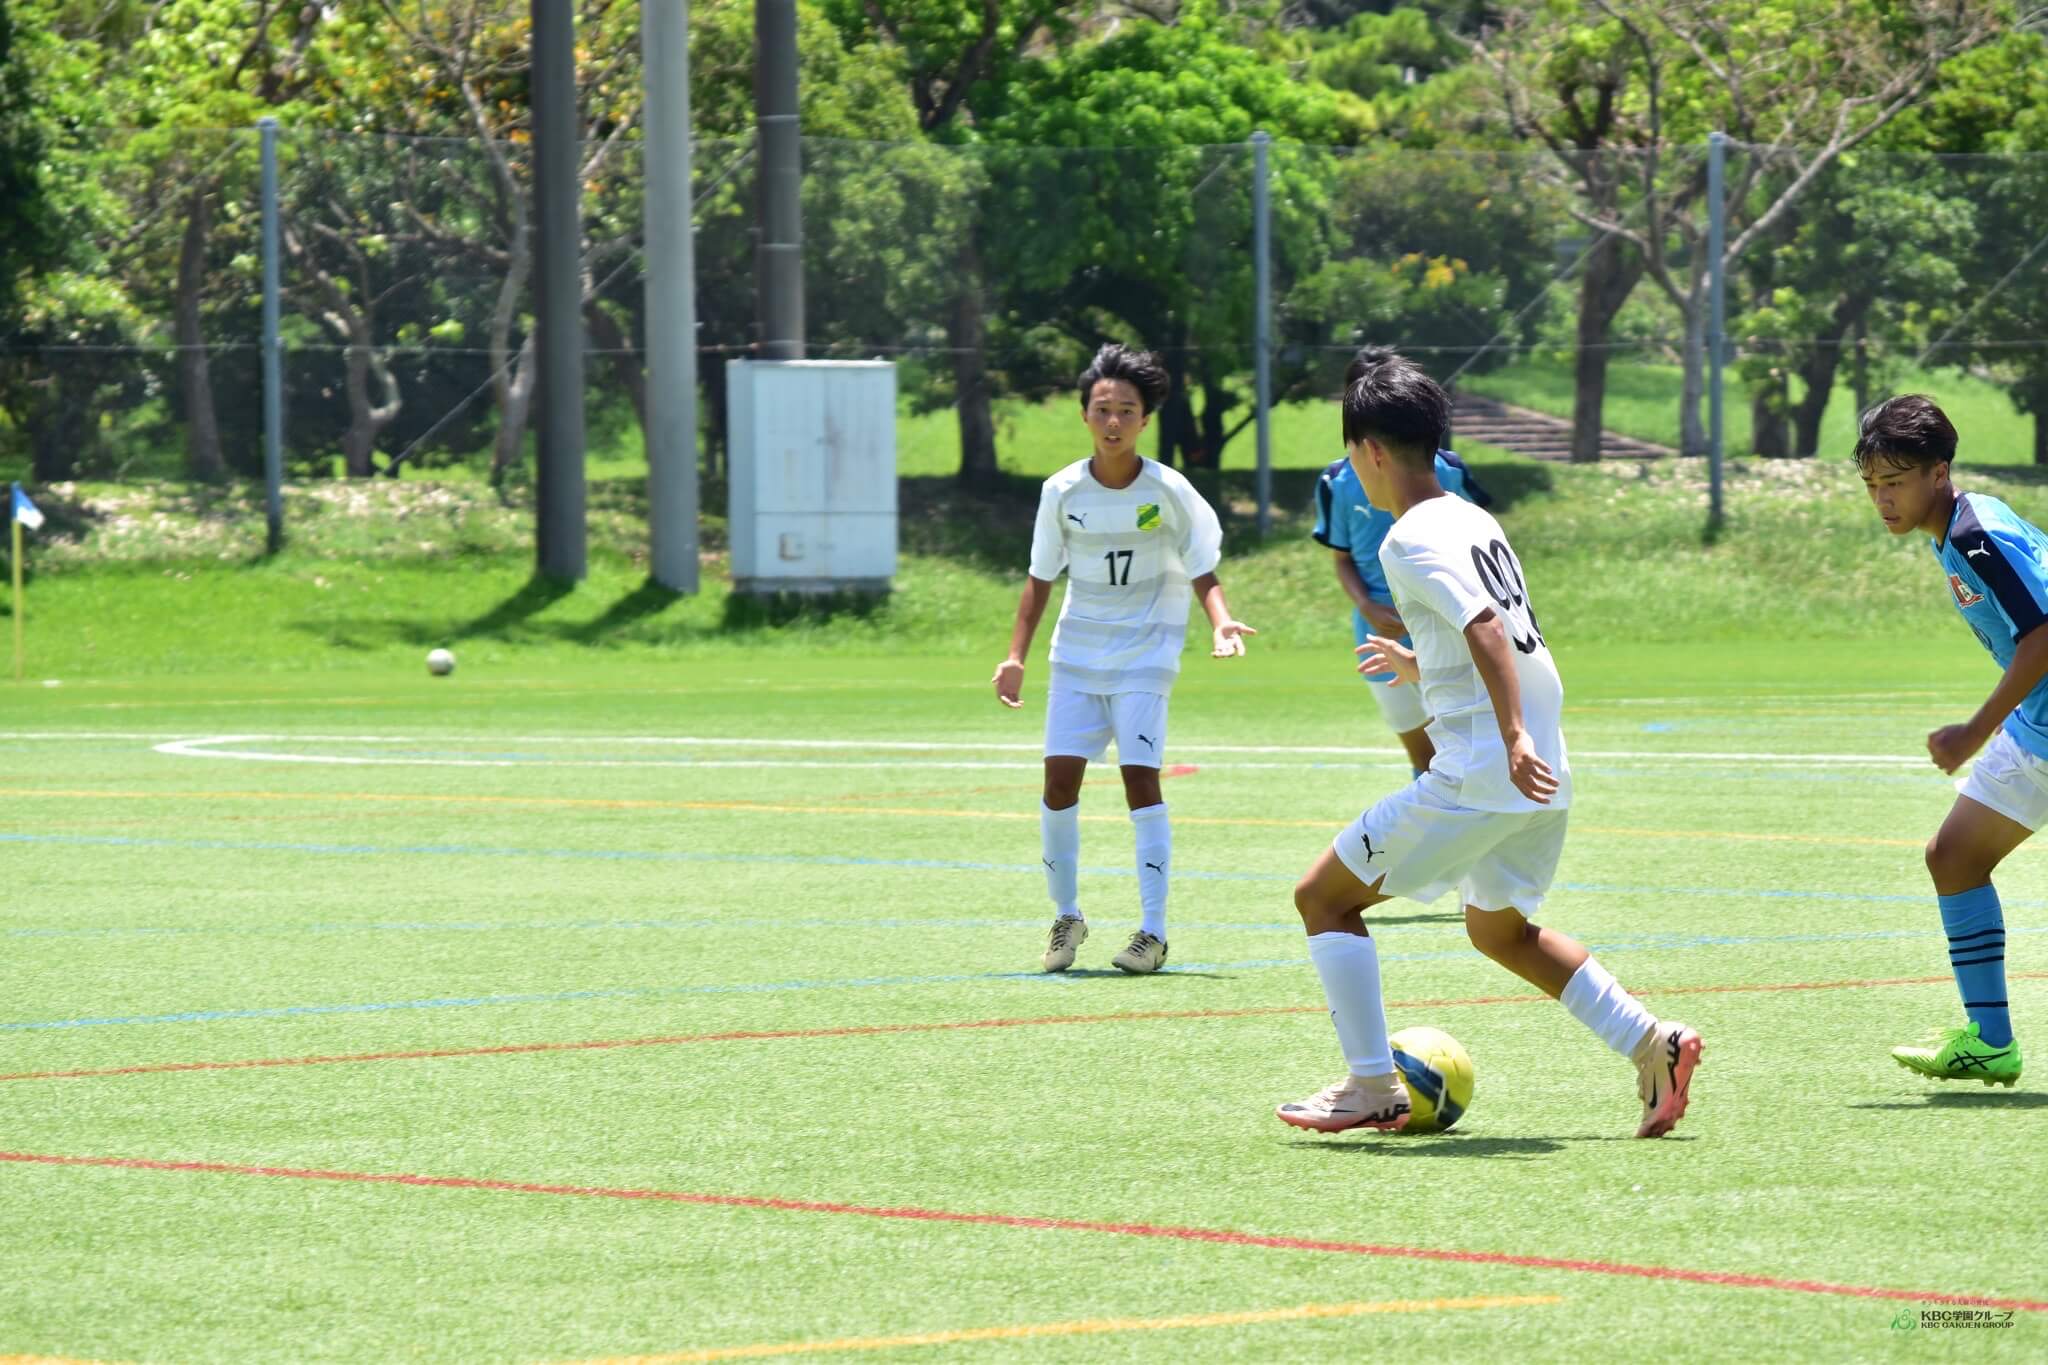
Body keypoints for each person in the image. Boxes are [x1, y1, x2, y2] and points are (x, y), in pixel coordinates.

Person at [1274, 352, 1702, 1137]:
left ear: (1370, 450)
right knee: (1498, 930)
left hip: (1487, 766)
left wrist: (1508, 735)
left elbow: (1484, 626)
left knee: (1323, 899)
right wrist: (1425, 665)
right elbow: (1491, 630)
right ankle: (1652, 1041)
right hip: (1544, 766)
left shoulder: (1407, 536)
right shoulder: (1473, 517)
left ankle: (1371, 1083)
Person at [993, 344, 1255, 975]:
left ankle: (1153, 933)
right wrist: (1015, 656)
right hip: (1077, 653)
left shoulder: (1168, 490)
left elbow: (1202, 567)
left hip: (1145, 652)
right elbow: (1039, 577)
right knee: (1059, 783)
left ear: (1145, 420)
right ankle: (1067, 916)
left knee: (1141, 778)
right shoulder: (1062, 491)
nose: (1113, 421)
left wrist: (1221, 621)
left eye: (1127, 411)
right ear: (1085, 414)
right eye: (1103, 409)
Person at [1857, 394, 2029, 1087]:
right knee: (1954, 856)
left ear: (1938, 471)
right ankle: (1990, 1041)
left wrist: (1974, 731)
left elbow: (2045, 632)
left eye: (1895, 482)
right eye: (1872, 484)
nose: (1883, 499)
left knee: (1954, 856)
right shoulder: (1959, 527)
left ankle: (1990, 1038)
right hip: (2040, 723)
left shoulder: (1975, 534)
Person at [1312, 347, 1491, 775]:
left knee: (1457, 747)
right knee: (1423, 756)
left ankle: (1452, 812)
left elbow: (1473, 546)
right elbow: (1342, 558)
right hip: (1378, 632)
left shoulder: (1445, 470)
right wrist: (1367, 606)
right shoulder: (1337, 481)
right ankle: (1436, 811)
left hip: (1441, 624)